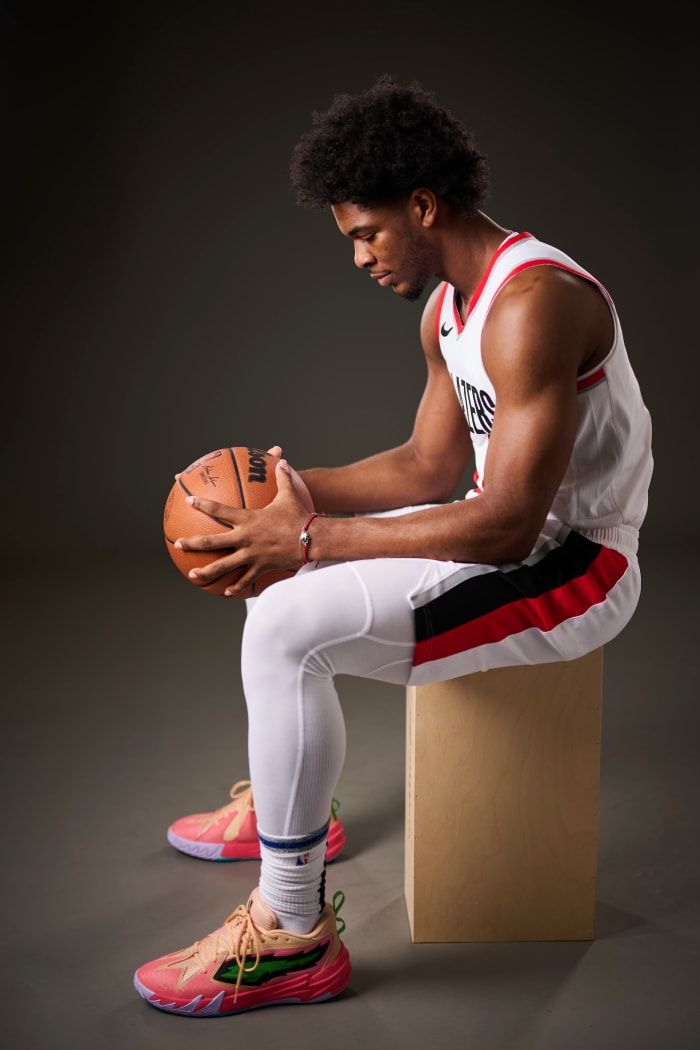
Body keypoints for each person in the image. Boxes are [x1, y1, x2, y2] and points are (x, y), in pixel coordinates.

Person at [133, 75, 653, 1016]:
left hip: (578, 565)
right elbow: (425, 463)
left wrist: (313, 538)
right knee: (276, 596)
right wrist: (287, 493)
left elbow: (500, 522)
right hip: (512, 538)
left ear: (423, 204)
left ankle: (292, 933)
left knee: (289, 624)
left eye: (367, 233)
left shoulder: (533, 302)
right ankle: (295, 813)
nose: (362, 258)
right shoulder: (447, 308)